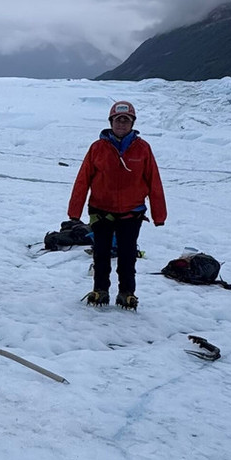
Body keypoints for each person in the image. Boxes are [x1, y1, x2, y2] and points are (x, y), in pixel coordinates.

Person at [68, 100, 167, 310]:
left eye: (126, 120)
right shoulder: (97, 148)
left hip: (132, 213)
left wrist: (160, 215)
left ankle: (127, 294)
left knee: (127, 256)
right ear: (111, 121)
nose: (121, 124)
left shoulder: (143, 149)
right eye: (117, 120)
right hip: (101, 211)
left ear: (132, 123)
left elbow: (154, 182)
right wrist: (74, 212)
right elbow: (83, 180)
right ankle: (100, 290)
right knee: (101, 254)